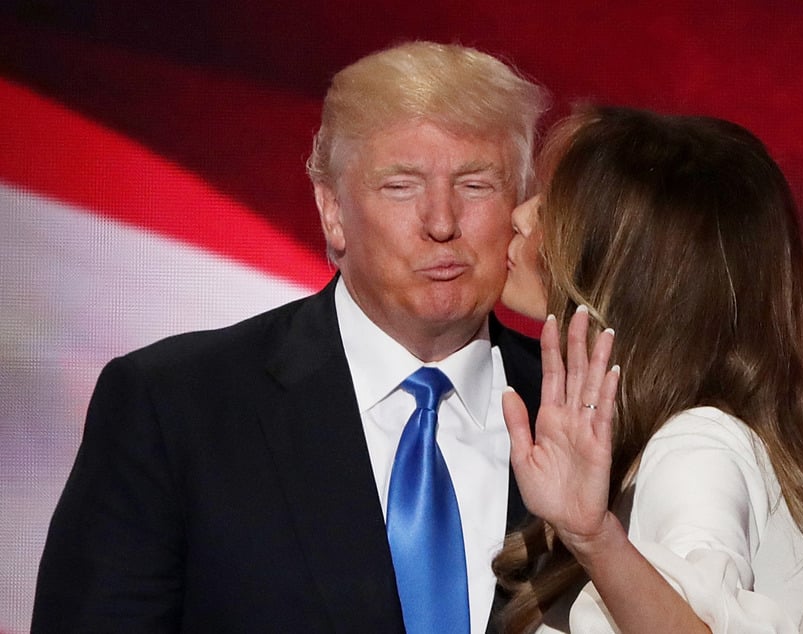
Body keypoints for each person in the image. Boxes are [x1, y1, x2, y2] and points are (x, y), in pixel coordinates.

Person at [32, 41, 548, 633]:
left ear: (518, 207)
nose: (441, 222)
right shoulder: (174, 406)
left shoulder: (598, 413)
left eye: (476, 185)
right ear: (332, 212)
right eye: (401, 186)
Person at [494, 106, 803, 633]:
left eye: (551, 209)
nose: (520, 216)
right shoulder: (684, 438)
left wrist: (595, 538)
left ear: (624, 264)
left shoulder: (697, 448)